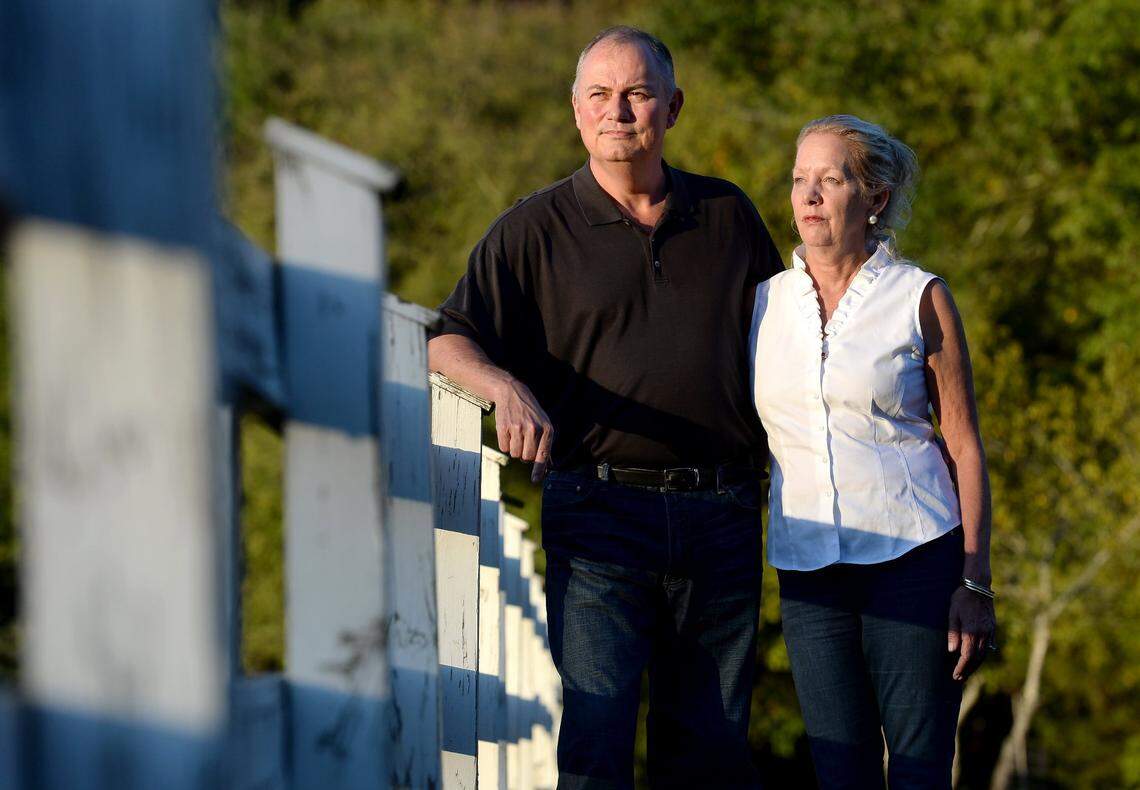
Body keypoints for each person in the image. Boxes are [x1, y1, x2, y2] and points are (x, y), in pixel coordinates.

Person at [428, 26, 782, 789]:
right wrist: (504, 386)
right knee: (597, 738)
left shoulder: (728, 215)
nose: (617, 111)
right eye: (599, 95)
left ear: (673, 107)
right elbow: (446, 341)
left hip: (721, 509)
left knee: (714, 750)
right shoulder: (531, 230)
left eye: (638, 93)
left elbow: (786, 345)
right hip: (597, 511)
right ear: (576, 112)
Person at [749, 115, 997, 788]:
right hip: (808, 573)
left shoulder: (921, 296)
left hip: (914, 560)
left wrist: (975, 581)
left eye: (830, 180)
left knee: (918, 768)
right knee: (839, 769)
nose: (809, 197)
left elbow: (966, 445)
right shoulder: (764, 304)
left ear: (876, 198)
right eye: (800, 180)